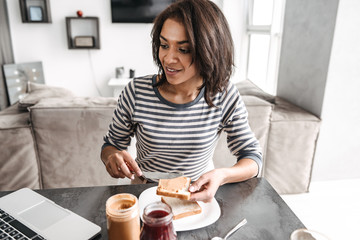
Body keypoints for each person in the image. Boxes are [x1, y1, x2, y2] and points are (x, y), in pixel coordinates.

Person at [101, 0, 262, 203]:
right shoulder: (136, 91)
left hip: (196, 194)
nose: (168, 59)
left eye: (183, 49)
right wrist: (111, 157)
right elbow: (111, 145)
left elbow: (253, 157)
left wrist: (222, 176)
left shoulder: (223, 94)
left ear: (209, 50)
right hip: (143, 191)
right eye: (164, 45)